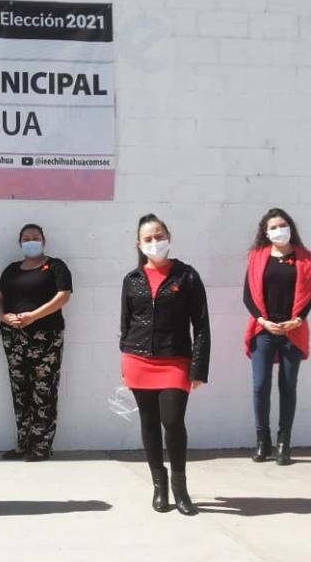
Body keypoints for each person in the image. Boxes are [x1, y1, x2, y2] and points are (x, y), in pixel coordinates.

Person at [119, 214, 210, 516]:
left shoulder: (187, 276)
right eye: (148, 238)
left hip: (175, 360)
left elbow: (201, 325)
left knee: (172, 421)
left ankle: (180, 488)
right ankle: (159, 486)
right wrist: (125, 359)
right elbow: (126, 323)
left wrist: (198, 368)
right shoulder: (132, 280)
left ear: (168, 236)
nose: (154, 242)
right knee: (148, 422)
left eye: (159, 236)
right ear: (139, 244)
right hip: (137, 359)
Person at [242, 208, 311, 466]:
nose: (279, 230)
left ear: (291, 227)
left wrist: (297, 320)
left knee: (287, 386)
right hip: (263, 330)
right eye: (273, 227)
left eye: (282, 225)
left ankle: (284, 442)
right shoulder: (257, 257)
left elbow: (309, 294)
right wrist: (262, 321)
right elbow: (248, 295)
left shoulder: (305, 258)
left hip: (292, 330)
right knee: (260, 385)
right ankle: (262, 440)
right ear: (265, 232)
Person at [0, 224, 72, 461]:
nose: (31, 241)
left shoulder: (55, 266)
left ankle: (41, 446)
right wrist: (3, 317)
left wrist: (33, 316)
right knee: (20, 390)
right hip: (14, 337)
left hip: (46, 337)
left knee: (44, 389)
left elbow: (63, 296)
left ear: (43, 240)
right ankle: (23, 443)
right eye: (26, 238)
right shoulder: (11, 270)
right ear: (20, 243)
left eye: (35, 237)